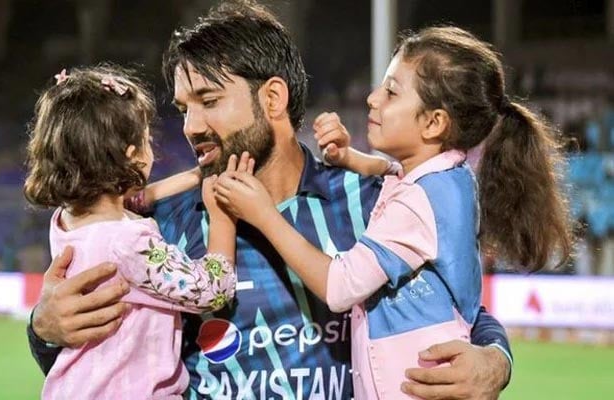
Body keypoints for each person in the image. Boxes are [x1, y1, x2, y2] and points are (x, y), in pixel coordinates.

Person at [27, 2, 514, 399]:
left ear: (273, 98)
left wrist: (494, 360)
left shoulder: (370, 203)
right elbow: (98, 367)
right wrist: (44, 330)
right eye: (183, 109)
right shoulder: (158, 225)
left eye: (210, 101)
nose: (191, 126)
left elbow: (454, 306)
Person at [213, 26, 574, 399]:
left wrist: (264, 215)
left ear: (434, 122)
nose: (372, 99)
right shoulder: (450, 177)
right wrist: (350, 158)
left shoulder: (418, 204)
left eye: (390, 92)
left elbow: (339, 287)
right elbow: (395, 174)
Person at [23, 65, 239, 398]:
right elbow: (212, 290)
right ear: (132, 157)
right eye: (146, 140)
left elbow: (133, 200)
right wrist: (222, 216)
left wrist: (199, 175)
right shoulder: (129, 243)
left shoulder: (68, 221)